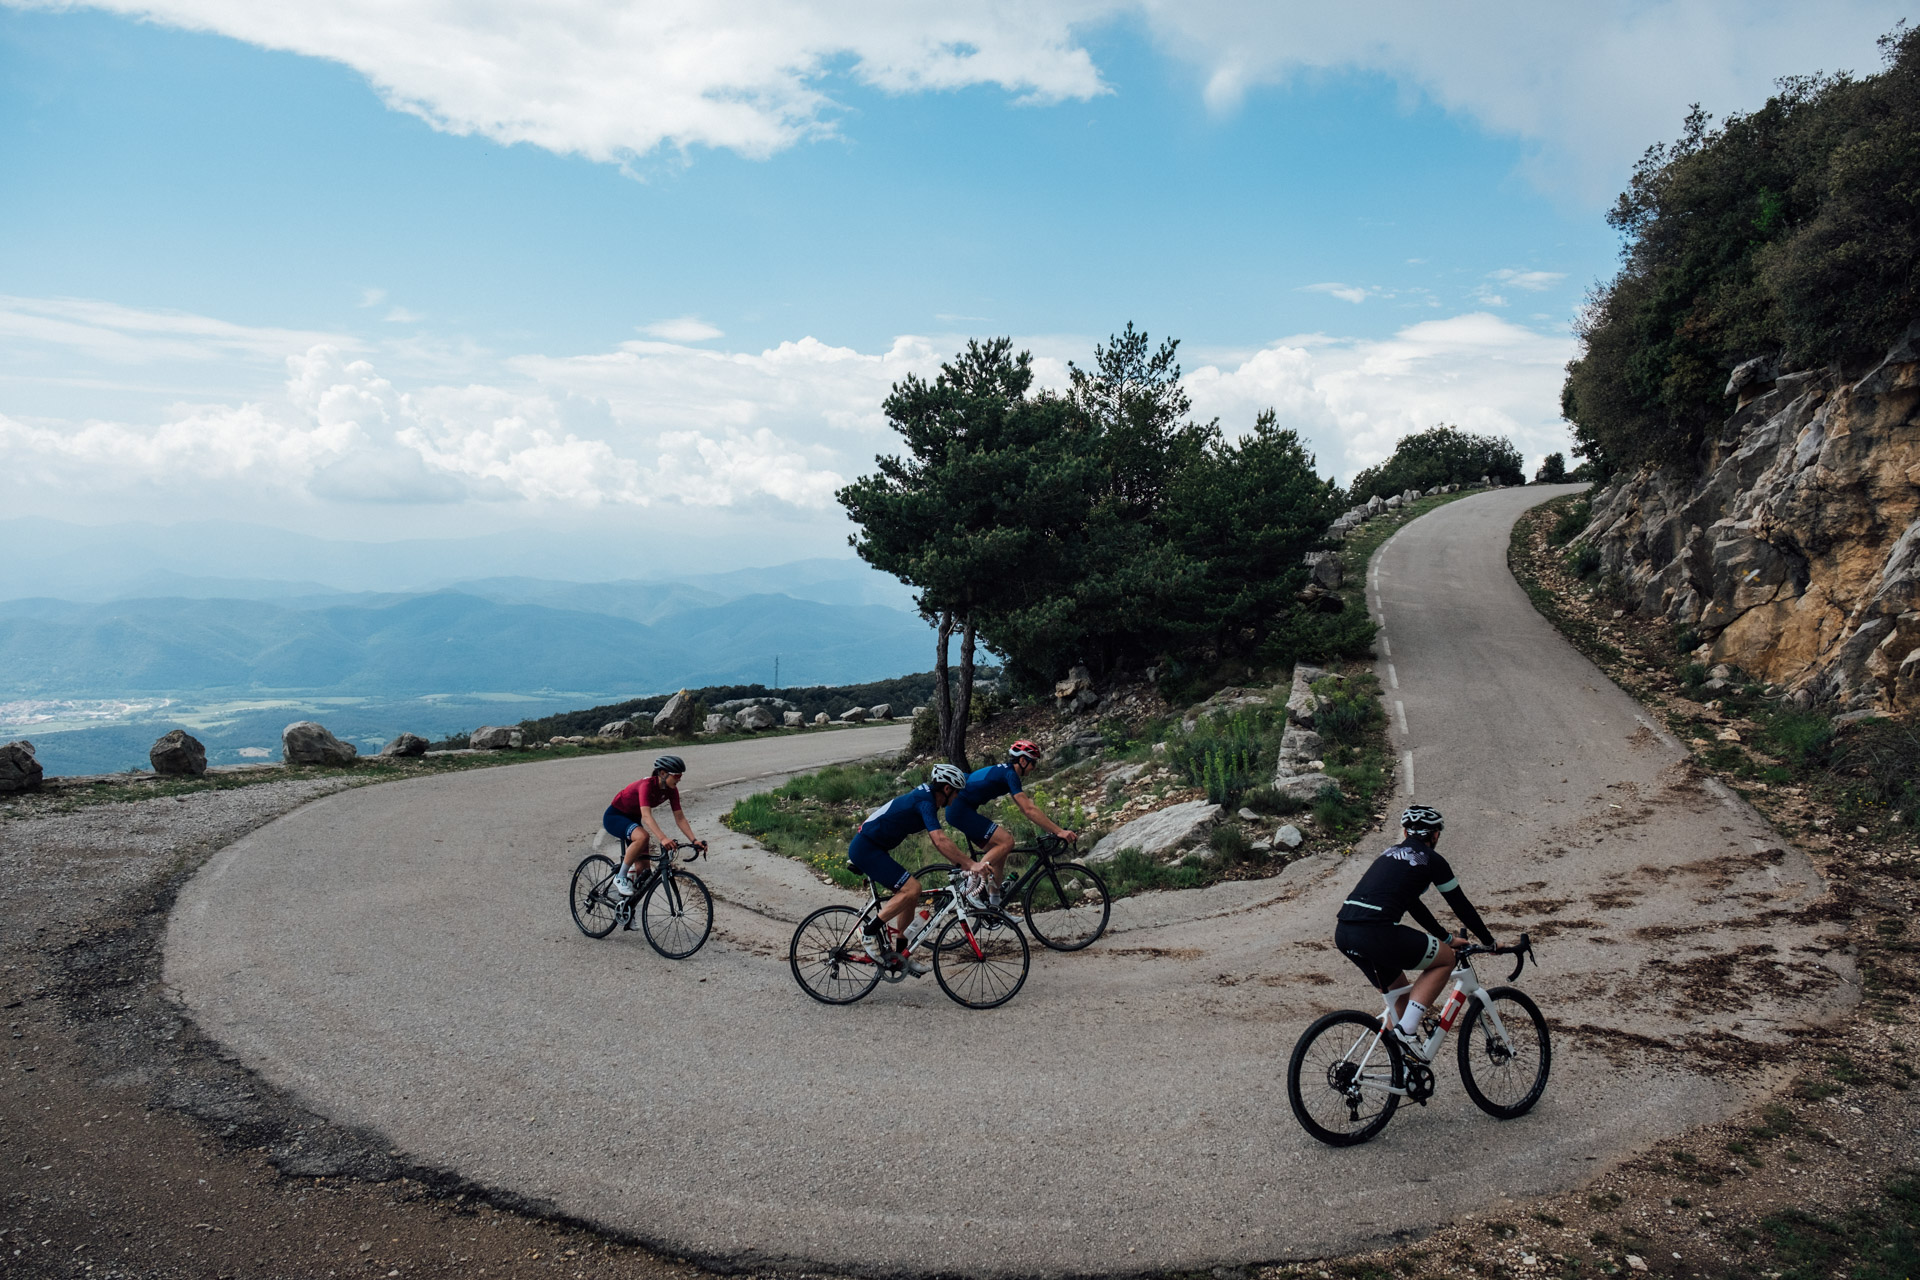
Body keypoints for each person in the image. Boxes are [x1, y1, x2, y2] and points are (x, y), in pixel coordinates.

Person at [1332, 805, 1496, 1058]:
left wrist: (1447, 938)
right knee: (1446, 960)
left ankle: (1392, 1069)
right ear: (1435, 835)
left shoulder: (1389, 854)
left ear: (1406, 832)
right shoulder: (1432, 860)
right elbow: (1460, 905)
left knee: (1401, 1000)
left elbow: (1414, 905)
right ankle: (1407, 1033)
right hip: (1377, 933)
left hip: (1344, 932)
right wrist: (1490, 942)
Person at [848, 763, 990, 972]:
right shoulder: (925, 802)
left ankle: (900, 955)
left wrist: (961, 865)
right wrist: (972, 865)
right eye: (957, 792)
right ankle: (869, 932)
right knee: (912, 888)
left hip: (873, 846)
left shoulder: (926, 798)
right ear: (947, 789)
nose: (957, 798)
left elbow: (940, 843)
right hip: (866, 848)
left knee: (910, 895)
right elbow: (939, 840)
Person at [944, 740, 1078, 904]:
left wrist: (1051, 828)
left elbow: (1025, 809)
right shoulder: (1010, 775)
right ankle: (971, 888)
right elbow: (1028, 809)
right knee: (1007, 841)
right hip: (959, 809)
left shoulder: (1006, 773)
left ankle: (995, 905)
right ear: (1022, 761)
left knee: (999, 851)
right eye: (1033, 763)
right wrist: (1059, 831)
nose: (1034, 768)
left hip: (963, 809)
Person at [605, 755, 707, 898]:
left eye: (681, 775)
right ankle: (621, 877)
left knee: (644, 872)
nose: (679, 779)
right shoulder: (646, 785)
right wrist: (663, 838)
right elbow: (646, 816)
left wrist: (694, 840)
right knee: (643, 837)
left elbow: (680, 817)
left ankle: (625, 906)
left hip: (633, 819)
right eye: (676, 775)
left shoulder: (671, 790)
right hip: (615, 816)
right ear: (663, 773)